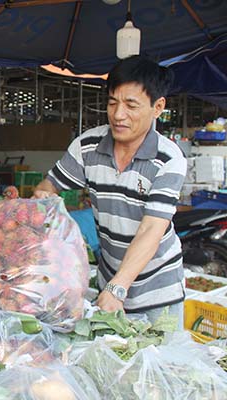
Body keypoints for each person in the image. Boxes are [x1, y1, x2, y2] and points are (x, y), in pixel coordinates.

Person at [33, 55, 186, 325]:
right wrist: (44, 199)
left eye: (131, 105)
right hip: (109, 282)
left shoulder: (168, 159)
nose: (118, 115)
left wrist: (118, 288)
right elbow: (50, 185)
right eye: (113, 103)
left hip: (157, 293)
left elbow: (152, 229)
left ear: (158, 107)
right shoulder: (87, 146)